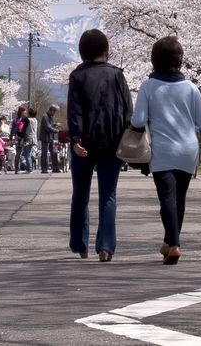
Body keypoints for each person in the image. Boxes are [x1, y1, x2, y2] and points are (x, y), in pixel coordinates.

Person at [130, 35, 201, 264]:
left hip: (163, 151)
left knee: (167, 199)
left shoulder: (148, 86)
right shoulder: (190, 88)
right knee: (178, 199)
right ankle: (168, 242)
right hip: (188, 151)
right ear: (179, 60)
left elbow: (139, 119)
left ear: (155, 59)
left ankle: (174, 244)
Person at [67, 27, 133, 261]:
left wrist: (75, 140)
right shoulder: (117, 75)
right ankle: (105, 246)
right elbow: (128, 111)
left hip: (83, 145)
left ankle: (79, 244)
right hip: (113, 144)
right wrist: (125, 140)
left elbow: (74, 112)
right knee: (108, 195)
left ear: (82, 51)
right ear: (106, 49)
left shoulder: (77, 76)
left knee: (80, 194)